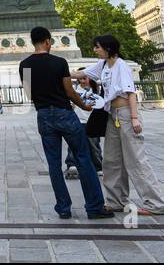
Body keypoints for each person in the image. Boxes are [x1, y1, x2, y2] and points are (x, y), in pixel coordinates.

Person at [18, 27, 110, 220]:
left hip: (44, 115)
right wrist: (83, 106)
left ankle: (63, 207)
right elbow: (69, 91)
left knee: (53, 164)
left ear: (32, 42)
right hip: (64, 113)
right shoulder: (59, 62)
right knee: (83, 157)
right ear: (47, 41)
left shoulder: (24, 65)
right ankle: (94, 207)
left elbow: (29, 94)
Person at [85, 34, 164, 216]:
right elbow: (81, 73)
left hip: (126, 114)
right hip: (112, 115)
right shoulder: (103, 65)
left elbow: (130, 93)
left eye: (97, 47)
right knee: (111, 160)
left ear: (108, 48)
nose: (94, 50)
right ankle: (116, 200)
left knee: (135, 159)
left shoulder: (121, 65)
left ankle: (156, 203)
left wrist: (134, 118)